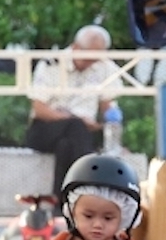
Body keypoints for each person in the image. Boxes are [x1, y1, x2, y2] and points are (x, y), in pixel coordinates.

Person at [24, 24, 113, 191]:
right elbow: (40, 109)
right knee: (76, 126)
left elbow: (107, 106)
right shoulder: (51, 64)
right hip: (46, 129)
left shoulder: (105, 67)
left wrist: (106, 125)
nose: (90, 63)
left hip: (83, 134)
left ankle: (62, 200)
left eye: (95, 59)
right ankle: (86, 185)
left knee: (66, 145)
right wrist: (75, 119)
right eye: (87, 58)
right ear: (76, 47)